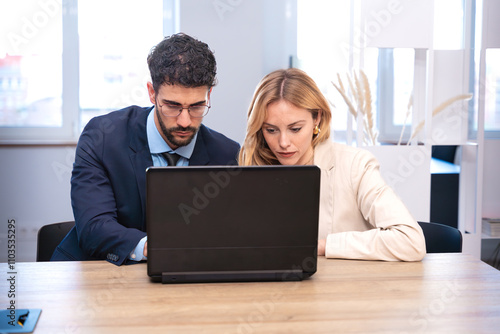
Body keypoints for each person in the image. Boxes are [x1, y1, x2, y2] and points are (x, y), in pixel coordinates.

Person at [52, 33, 240, 265]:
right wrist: (156, 249)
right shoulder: (102, 138)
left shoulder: (227, 155)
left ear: (208, 95)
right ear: (152, 93)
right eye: (172, 106)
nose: (184, 121)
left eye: (196, 107)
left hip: (185, 282)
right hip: (96, 275)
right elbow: (94, 227)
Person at [239, 68, 426, 261]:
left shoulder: (355, 166)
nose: (284, 142)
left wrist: (323, 246)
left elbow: (410, 241)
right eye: (271, 130)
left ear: (317, 118)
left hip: (344, 287)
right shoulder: (253, 170)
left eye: (295, 129)